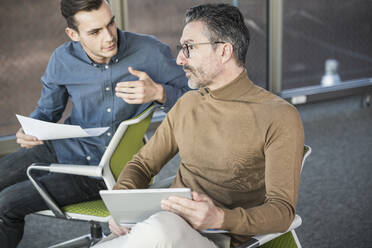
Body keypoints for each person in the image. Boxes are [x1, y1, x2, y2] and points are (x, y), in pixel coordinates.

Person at [94, 3, 305, 248]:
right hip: (158, 226)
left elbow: (282, 211)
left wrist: (221, 217)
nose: (180, 59)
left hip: (214, 238)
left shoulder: (279, 116)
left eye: (189, 48)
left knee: (161, 230)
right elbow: (142, 164)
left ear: (224, 52)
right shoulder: (188, 104)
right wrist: (122, 203)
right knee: (156, 230)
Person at [0, 0, 190, 247]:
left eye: (110, 23)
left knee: (6, 203)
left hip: (101, 169)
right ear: (73, 35)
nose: (110, 36)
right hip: (62, 147)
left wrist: (159, 93)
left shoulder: (149, 51)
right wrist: (31, 129)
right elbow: (47, 112)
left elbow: (199, 101)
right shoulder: (62, 59)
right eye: (95, 31)